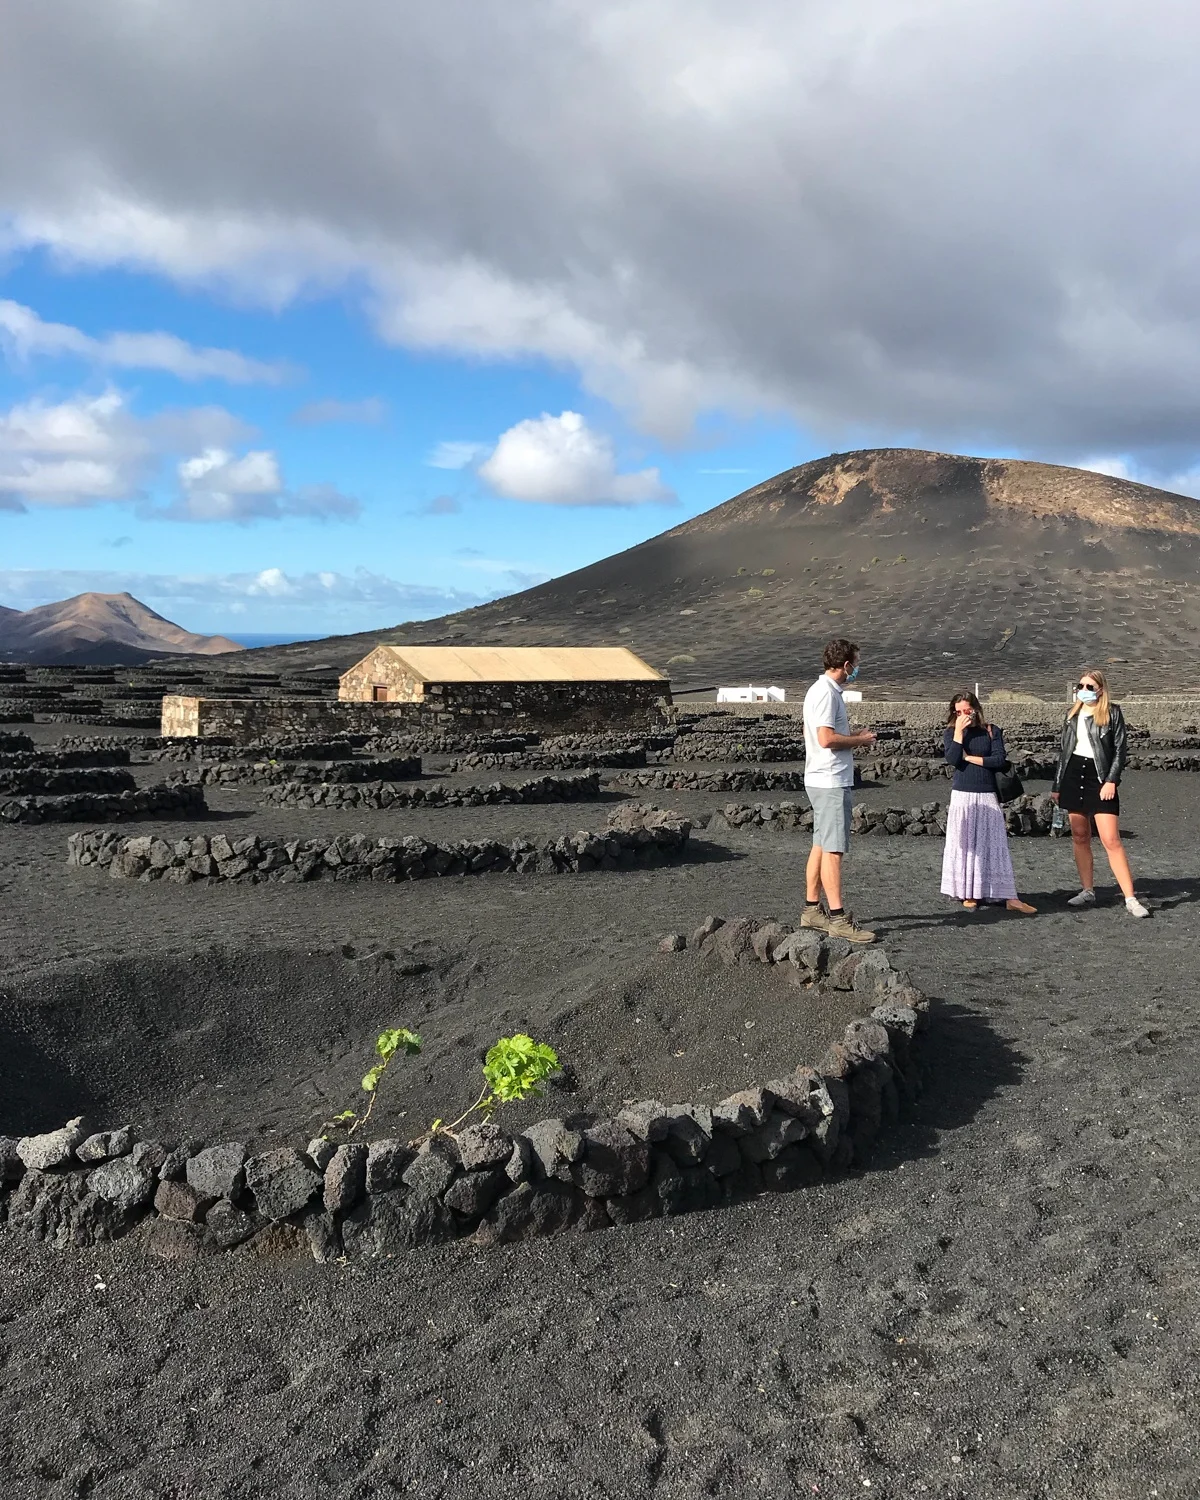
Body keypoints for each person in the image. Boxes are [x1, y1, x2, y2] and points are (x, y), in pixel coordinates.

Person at [1051, 668, 1149, 917]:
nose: (1083, 691)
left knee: (1111, 839)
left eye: (1089, 687)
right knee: (1080, 836)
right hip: (1074, 774)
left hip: (1100, 777)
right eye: (1080, 686)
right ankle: (1087, 890)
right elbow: (1064, 752)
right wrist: (1057, 785)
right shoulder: (1071, 715)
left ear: (1101, 690)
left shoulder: (1112, 713)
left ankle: (1130, 898)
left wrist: (1111, 780)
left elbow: (1119, 750)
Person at [801, 638, 877, 942]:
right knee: (834, 850)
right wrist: (859, 741)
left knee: (821, 844)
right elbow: (826, 739)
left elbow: (829, 735)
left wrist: (851, 735)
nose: (856, 669)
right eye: (855, 664)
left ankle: (811, 909)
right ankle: (837, 918)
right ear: (845, 665)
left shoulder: (822, 691)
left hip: (821, 778)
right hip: (830, 779)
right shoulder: (826, 694)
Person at [940, 692, 1036, 915]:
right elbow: (952, 759)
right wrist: (958, 733)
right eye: (959, 712)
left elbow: (999, 759)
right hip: (963, 794)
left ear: (976, 709)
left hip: (987, 793)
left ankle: (1008, 895)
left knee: (994, 843)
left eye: (967, 711)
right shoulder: (951, 733)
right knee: (967, 845)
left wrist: (970, 758)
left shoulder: (992, 731)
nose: (964, 715)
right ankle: (969, 893)